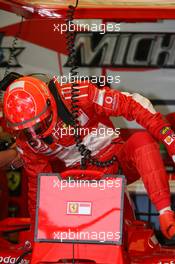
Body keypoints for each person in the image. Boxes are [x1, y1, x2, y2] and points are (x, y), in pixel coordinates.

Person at [3, 75, 175, 240]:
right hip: (77, 186)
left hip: (117, 164)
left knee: (141, 140)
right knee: (115, 239)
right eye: (26, 130)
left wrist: (170, 140)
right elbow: (38, 189)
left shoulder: (78, 95)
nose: (34, 134)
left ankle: (165, 212)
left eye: (38, 124)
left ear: (49, 104)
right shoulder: (26, 142)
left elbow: (134, 103)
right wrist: (36, 235)